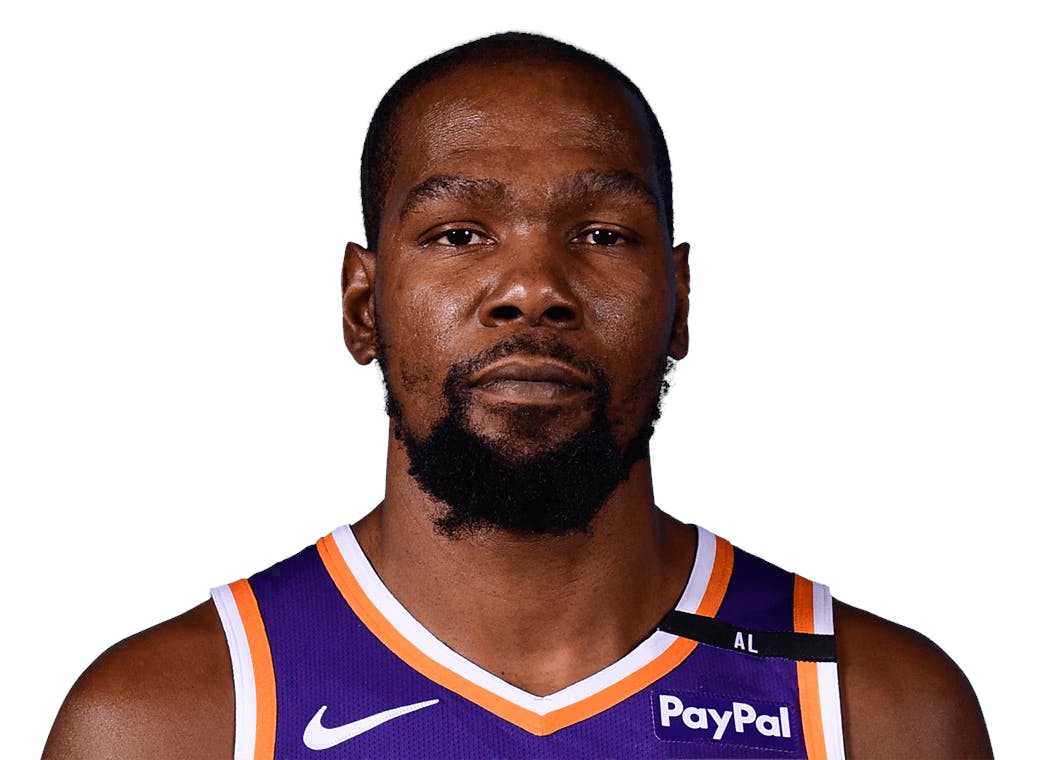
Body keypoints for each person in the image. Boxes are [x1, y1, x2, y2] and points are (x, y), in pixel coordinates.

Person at [43, 32, 991, 759]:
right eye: (459, 234)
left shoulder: (877, 714)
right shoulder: (171, 722)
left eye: (603, 234)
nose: (533, 287)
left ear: (680, 301)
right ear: (364, 306)